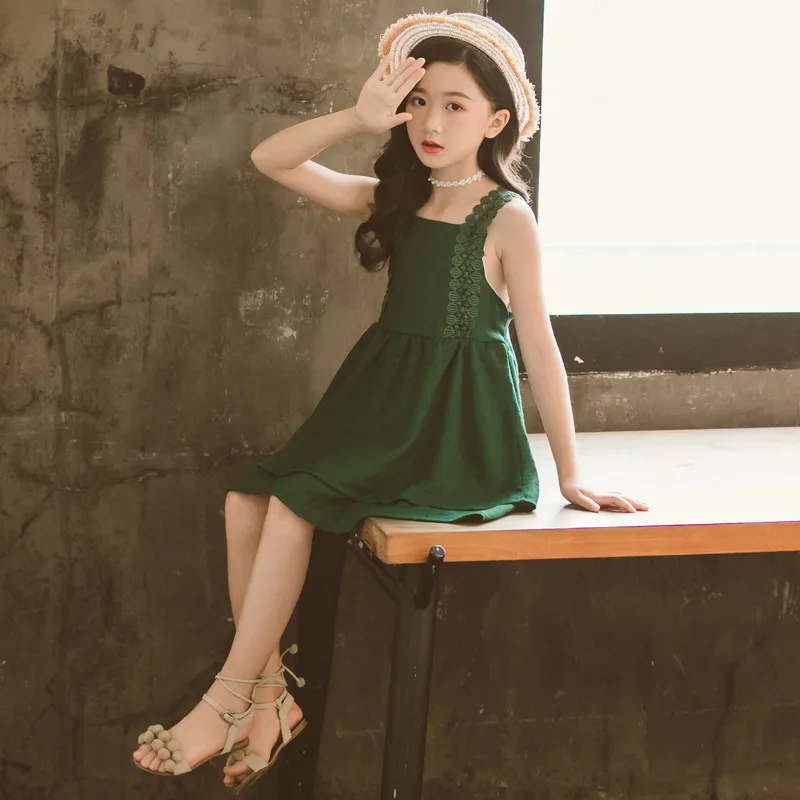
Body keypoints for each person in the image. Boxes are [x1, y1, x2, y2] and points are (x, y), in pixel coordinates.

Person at [131, 10, 648, 794]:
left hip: (451, 427)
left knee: (293, 509)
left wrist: (570, 472)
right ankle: (268, 701)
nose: (431, 123)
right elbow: (272, 159)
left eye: (455, 105)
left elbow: (539, 345)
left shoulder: (506, 216)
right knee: (245, 502)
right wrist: (357, 116)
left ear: (496, 122)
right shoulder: (399, 196)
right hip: (380, 403)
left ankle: (229, 698)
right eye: (419, 102)